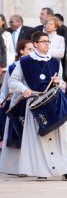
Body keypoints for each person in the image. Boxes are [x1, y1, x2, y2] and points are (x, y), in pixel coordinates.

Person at [8, 31, 67, 181]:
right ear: (35, 44)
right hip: (36, 102)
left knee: (61, 138)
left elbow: (62, 85)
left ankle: (66, 171)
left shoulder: (55, 61)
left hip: (54, 103)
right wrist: (24, 89)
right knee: (39, 138)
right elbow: (12, 81)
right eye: (44, 41)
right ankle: (41, 171)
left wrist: (58, 83)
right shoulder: (25, 61)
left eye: (48, 42)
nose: (47, 44)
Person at [0, 40, 33, 175]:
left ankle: (31, 166)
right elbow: (5, 88)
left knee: (31, 137)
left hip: (32, 103)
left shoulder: (36, 65)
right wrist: (1, 100)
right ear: (22, 51)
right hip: (17, 103)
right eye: (29, 49)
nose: (32, 52)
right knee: (17, 134)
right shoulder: (13, 67)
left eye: (33, 49)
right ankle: (18, 167)